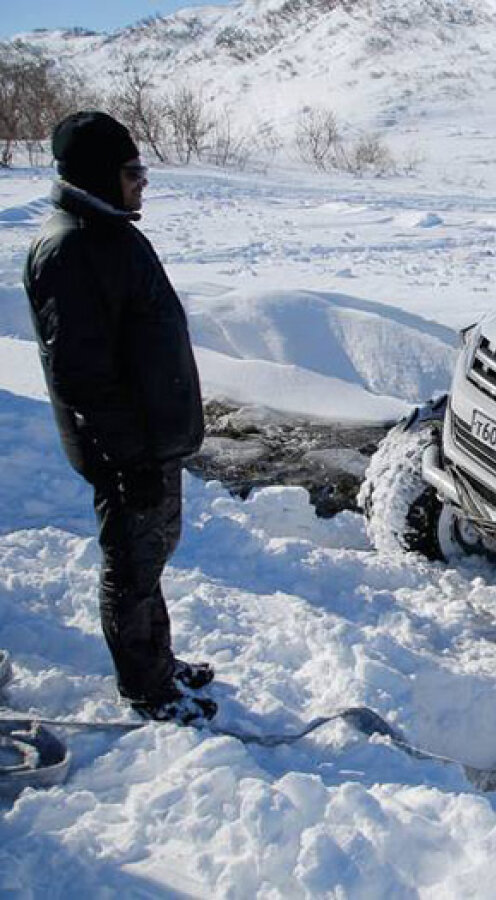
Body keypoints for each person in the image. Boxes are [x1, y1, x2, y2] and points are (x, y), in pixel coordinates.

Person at [23, 111, 215, 724]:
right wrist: (127, 458)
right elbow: (84, 377)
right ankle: (146, 688)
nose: (144, 183)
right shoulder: (73, 247)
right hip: (124, 450)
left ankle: (158, 662)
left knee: (151, 555)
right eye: (133, 172)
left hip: (147, 443)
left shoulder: (106, 231)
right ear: (100, 177)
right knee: (131, 567)